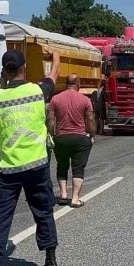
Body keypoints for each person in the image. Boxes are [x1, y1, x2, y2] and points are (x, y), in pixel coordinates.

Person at [0, 49, 61, 266]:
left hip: (9, 168)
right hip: (37, 164)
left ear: (4, 71)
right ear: (24, 68)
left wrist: (4, 85)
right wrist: (54, 56)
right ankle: (51, 263)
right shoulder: (38, 91)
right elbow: (55, 73)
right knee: (43, 212)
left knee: (1, 216)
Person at [47, 74, 96, 208]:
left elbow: (50, 120)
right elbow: (90, 120)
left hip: (61, 138)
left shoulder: (55, 99)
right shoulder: (85, 100)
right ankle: (75, 198)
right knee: (78, 168)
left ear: (66, 83)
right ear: (78, 84)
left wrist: (51, 136)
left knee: (62, 165)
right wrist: (92, 135)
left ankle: (63, 194)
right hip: (79, 138)